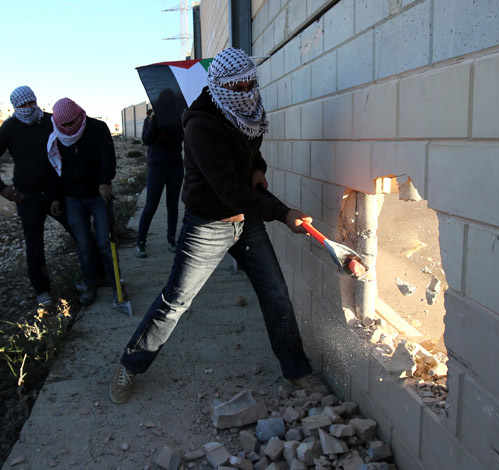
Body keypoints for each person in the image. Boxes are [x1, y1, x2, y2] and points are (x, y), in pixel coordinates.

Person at [110, 47, 324, 404]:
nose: (246, 91)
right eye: (237, 87)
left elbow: (252, 146)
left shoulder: (248, 107)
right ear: (220, 86)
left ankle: (297, 371)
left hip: (247, 222)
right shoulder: (201, 126)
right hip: (208, 223)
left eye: (250, 83)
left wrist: (259, 168)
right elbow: (229, 191)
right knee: (175, 301)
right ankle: (130, 365)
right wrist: (284, 214)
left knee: (276, 295)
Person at [0, 86, 73, 306]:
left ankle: (96, 276)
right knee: (34, 245)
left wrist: (59, 194)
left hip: (57, 194)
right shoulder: (9, 128)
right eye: (23, 105)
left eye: (32, 102)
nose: (29, 108)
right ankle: (42, 290)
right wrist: (2, 189)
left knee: (81, 234)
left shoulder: (52, 121)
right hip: (27, 197)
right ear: (15, 107)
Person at [48, 98, 117, 305]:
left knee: (105, 243)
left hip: (98, 195)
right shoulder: (56, 137)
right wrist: (56, 198)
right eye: (65, 125)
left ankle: (116, 284)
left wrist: (105, 182)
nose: (69, 128)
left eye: (72, 123)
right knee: (84, 245)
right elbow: (56, 168)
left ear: (80, 115)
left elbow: (108, 158)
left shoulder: (97, 128)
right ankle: (90, 284)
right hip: (73, 198)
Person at [135, 108, 184, 257]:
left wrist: (167, 124)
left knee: (172, 205)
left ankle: (171, 240)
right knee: (151, 205)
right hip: (156, 167)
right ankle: (140, 242)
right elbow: (147, 139)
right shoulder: (150, 119)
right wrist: (155, 123)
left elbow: (179, 137)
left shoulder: (177, 118)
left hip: (175, 167)